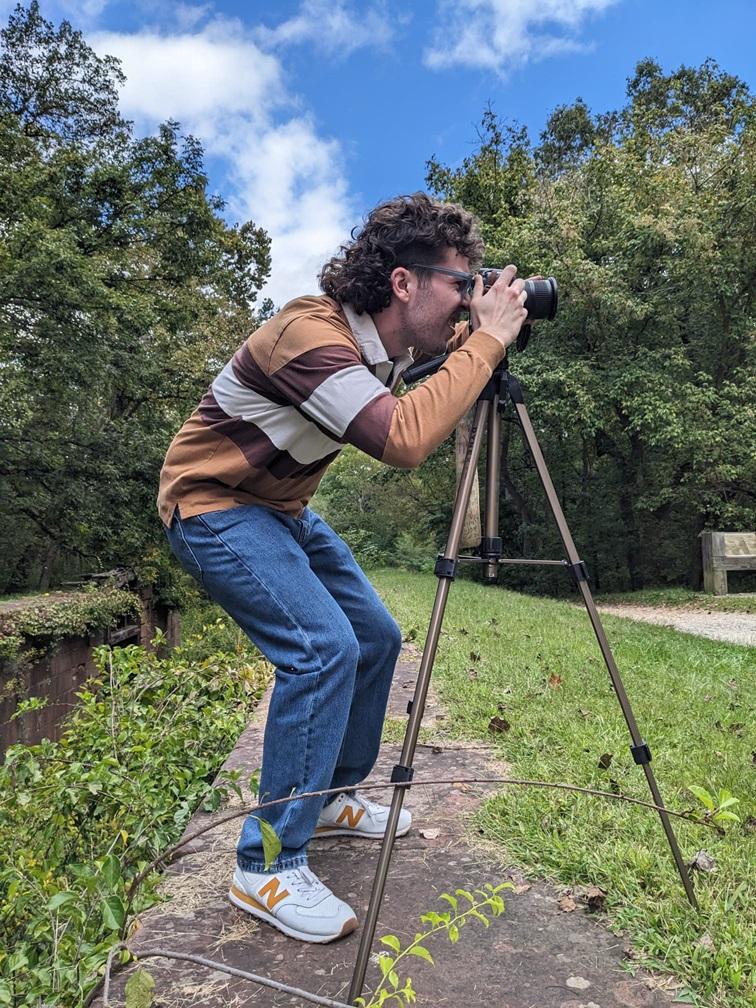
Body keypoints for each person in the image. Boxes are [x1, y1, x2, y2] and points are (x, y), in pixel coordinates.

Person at [157, 192, 528, 943]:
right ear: (402, 282)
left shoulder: (389, 353)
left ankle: (326, 798)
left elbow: (431, 392)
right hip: (211, 504)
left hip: (280, 509)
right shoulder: (309, 334)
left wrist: (474, 342)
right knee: (321, 649)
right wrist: (485, 343)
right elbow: (404, 439)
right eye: (462, 283)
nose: (470, 299)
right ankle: (264, 864)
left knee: (376, 637)